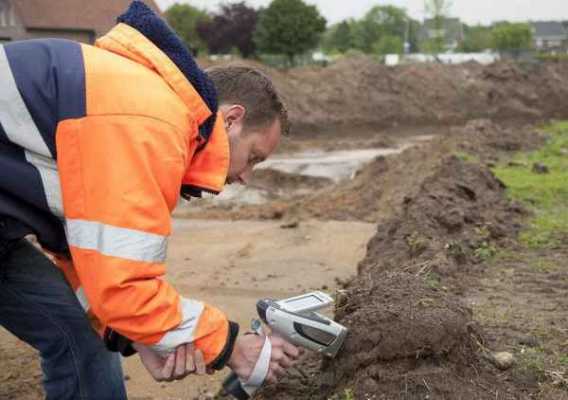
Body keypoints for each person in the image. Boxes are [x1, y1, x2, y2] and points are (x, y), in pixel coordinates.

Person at [0, 1, 300, 399]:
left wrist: (131, 335)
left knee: (82, 338)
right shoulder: (148, 121)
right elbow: (124, 286)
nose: (246, 176)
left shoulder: (138, 105)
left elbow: (82, 254)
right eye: (254, 158)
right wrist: (231, 347)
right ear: (231, 120)